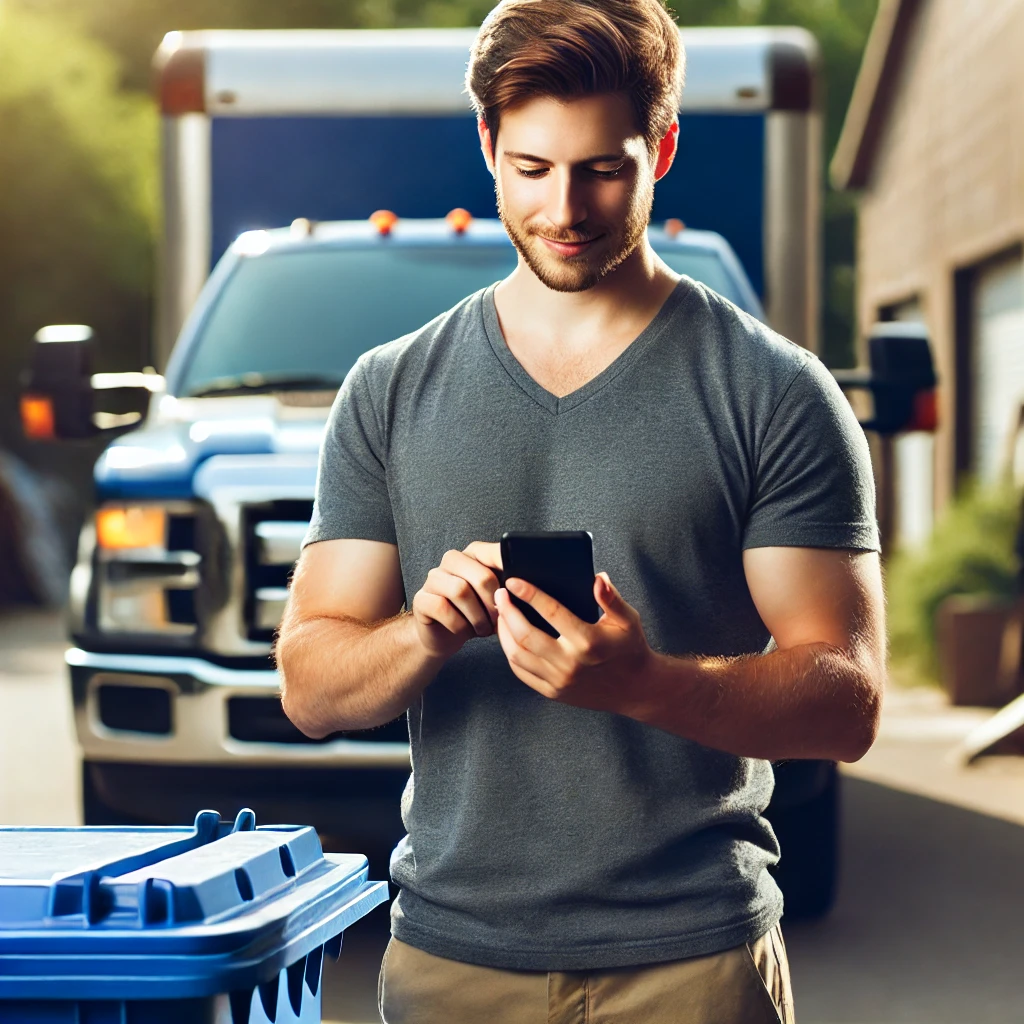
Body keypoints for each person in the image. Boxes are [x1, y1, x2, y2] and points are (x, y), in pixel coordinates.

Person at [277, 1, 885, 1020]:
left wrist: (647, 683)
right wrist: (421, 633)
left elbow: (849, 699)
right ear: (486, 145)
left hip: (693, 958)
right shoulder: (388, 389)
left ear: (665, 146)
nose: (566, 207)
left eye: (604, 167)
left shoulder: (772, 390)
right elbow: (310, 686)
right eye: (532, 169)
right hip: (451, 958)